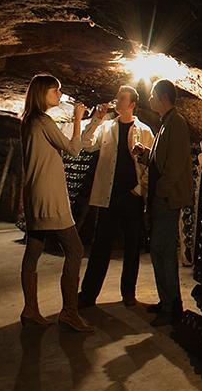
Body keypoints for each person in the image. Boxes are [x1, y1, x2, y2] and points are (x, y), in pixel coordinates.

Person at [18, 74, 93, 332]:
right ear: (42, 93)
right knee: (74, 249)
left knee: (33, 252)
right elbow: (73, 150)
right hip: (50, 196)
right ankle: (69, 313)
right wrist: (76, 119)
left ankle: (30, 309)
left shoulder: (28, 121)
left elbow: (69, 145)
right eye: (55, 91)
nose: (59, 95)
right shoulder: (43, 120)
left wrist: (90, 125)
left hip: (34, 195)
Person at [76, 85, 155, 308]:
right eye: (117, 97)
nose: (117, 101)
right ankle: (88, 295)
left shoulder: (145, 131)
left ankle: (128, 294)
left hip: (132, 197)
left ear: (131, 105)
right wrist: (95, 120)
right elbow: (86, 145)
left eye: (122, 98)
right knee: (100, 246)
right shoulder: (106, 127)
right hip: (108, 196)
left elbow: (151, 165)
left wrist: (139, 190)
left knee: (132, 247)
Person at [133, 78, 192, 327]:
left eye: (152, 96)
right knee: (160, 251)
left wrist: (161, 193)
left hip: (167, 199)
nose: (149, 100)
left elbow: (176, 167)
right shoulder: (165, 124)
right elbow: (161, 161)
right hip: (162, 197)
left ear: (162, 97)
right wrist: (145, 154)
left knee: (164, 252)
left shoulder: (176, 124)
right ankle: (167, 301)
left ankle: (171, 308)